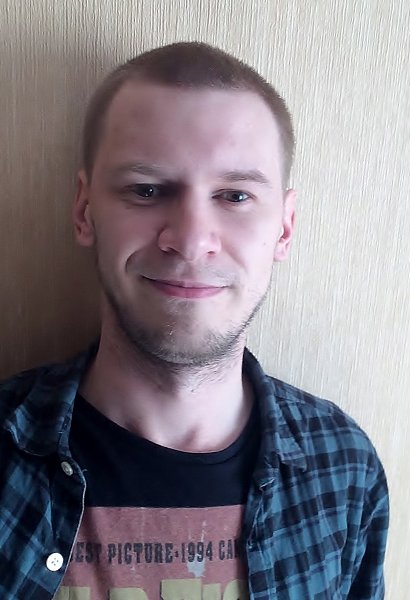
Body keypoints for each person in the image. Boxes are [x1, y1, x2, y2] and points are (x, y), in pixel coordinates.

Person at [0, 42, 389, 600]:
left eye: (235, 196)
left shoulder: (345, 471)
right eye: (147, 190)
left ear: (284, 228)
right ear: (85, 211)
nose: (189, 240)